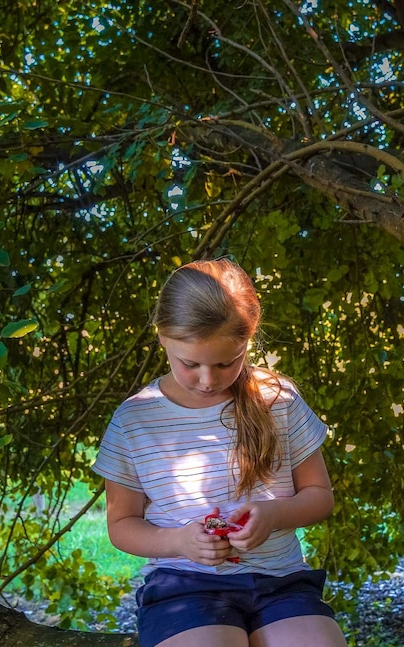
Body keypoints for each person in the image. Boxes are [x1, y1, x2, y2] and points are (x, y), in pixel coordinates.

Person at [92, 258, 347, 647]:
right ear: (162, 336)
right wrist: (180, 542)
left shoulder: (277, 400)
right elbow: (121, 524)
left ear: (249, 338)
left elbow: (320, 497)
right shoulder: (135, 419)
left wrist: (275, 514)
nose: (209, 380)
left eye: (227, 362)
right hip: (185, 587)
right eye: (190, 363)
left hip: (281, 582)